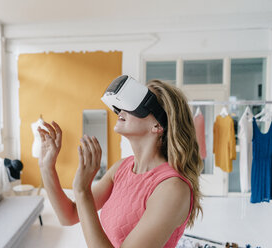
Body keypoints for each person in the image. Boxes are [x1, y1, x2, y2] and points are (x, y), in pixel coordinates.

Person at [37, 75, 203, 248]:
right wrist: (46, 167)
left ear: (157, 126)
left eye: (134, 105)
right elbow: (69, 215)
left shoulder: (172, 188)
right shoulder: (121, 168)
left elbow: (80, 201)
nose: (122, 109)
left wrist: (83, 191)